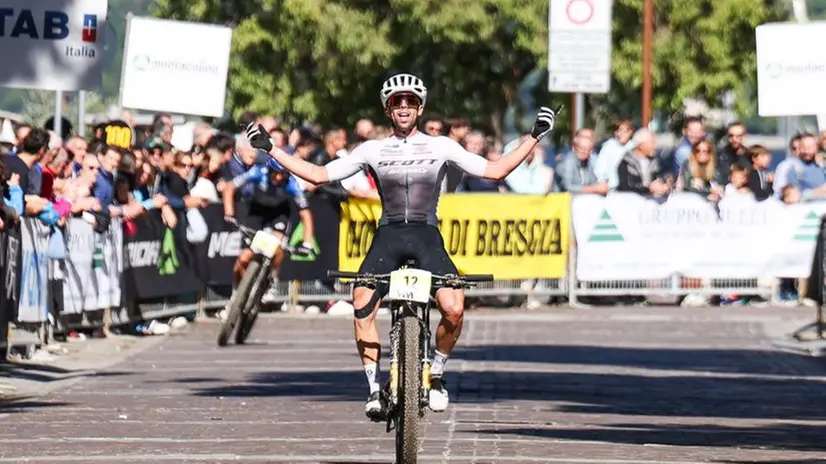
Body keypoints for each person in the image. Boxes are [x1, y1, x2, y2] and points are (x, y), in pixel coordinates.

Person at [243, 73, 559, 419]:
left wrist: (534, 136)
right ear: (388, 109)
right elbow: (318, 175)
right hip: (389, 235)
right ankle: (373, 388)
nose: (404, 107)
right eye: (397, 102)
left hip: (426, 235)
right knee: (361, 303)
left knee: (454, 307)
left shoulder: (441, 146)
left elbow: (495, 171)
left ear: (420, 108)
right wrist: (271, 149)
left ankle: (436, 372)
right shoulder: (372, 149)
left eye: (411, 101)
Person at [221, 138, 316, 301]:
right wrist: (229, 212)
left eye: (283, 175)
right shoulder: (258, 172)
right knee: (243, 258)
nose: (279, 178)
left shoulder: (292, 184)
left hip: (279, 213)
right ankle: (237, 294)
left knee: (277, 247)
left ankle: (272, 279)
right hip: (257, 211)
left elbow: (305, 213)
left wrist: (307, 243)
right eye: (276, 174)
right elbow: (229, 187)